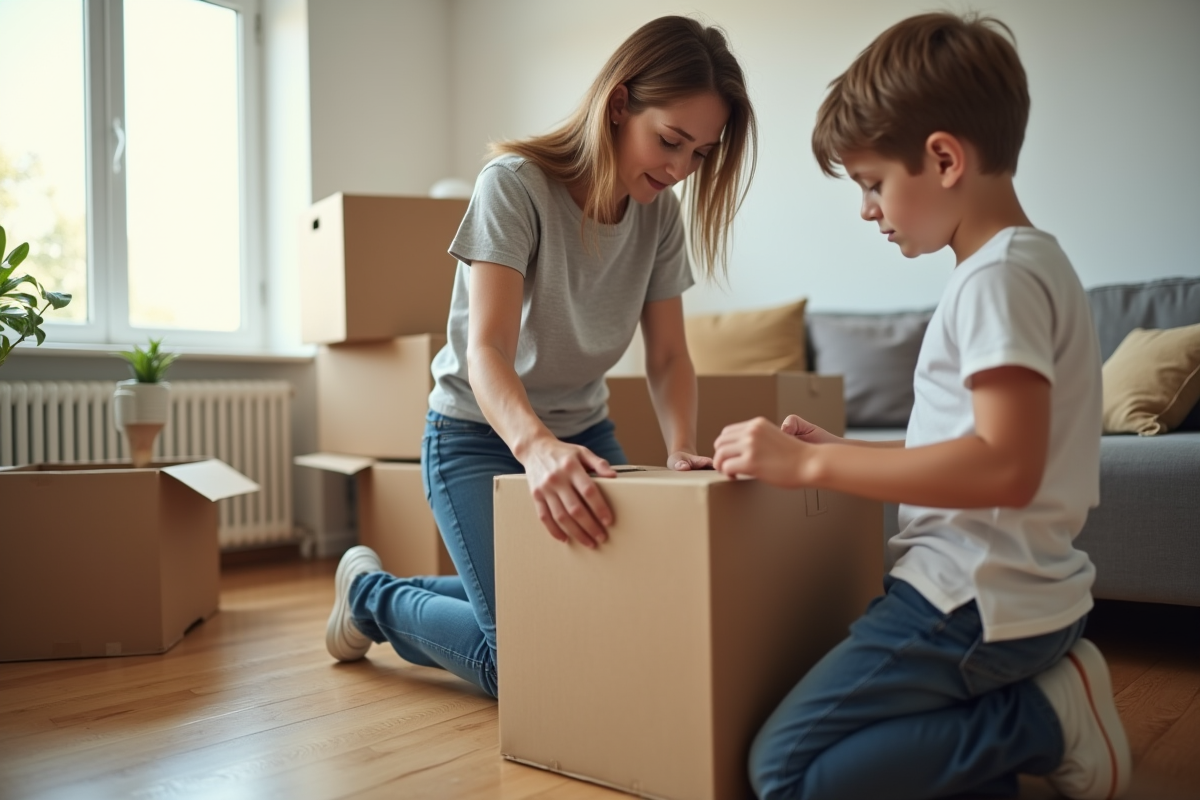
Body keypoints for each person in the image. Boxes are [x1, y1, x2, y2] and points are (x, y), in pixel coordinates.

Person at [712, 12, 1130, 800]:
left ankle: (1041, 721)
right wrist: (844, 451)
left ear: (943, 158)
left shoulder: (995, 279)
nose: (867, 209)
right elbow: (980, 454)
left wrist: (811, 466)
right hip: (1019, 591)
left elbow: (1004, 467)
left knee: (781, 773)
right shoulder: (1032, 263)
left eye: (873, 183)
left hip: (969, 600)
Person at [323, 15, 757, 699]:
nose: (679, 170)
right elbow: (487, 349)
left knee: (615, 622)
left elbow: (670, 355)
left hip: (585, 435)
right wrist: (534, 447)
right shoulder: (514, 186)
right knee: (528, 663)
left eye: (700, 154)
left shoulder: (659, 216)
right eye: (670, 141)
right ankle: (368, 597)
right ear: (619, 105)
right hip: (477, 436)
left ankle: (424, 590)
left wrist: (680, 449)